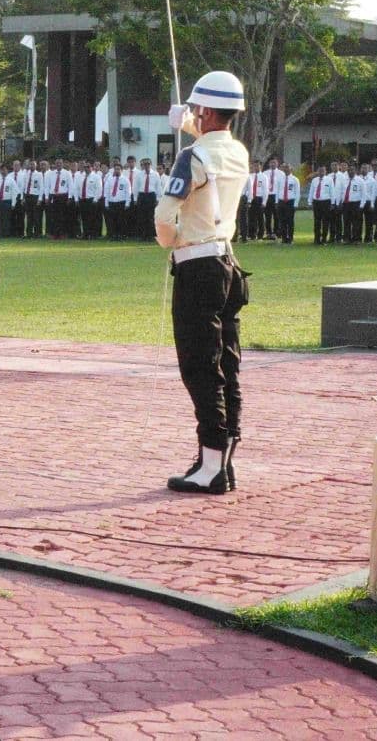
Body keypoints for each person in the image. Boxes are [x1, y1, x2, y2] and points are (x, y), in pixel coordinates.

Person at [159, 71, 250, 494]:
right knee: (227, 364)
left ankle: (211, 463)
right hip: (228, 264)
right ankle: (222, 460)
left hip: (196, 266)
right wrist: (185, 121)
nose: (195, 114)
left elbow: (164, 216)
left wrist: (170, 240)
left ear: (208, 111)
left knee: (200, 366)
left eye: (198, 109)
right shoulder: (238, 152)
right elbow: (213, 140)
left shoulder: (191, 156)